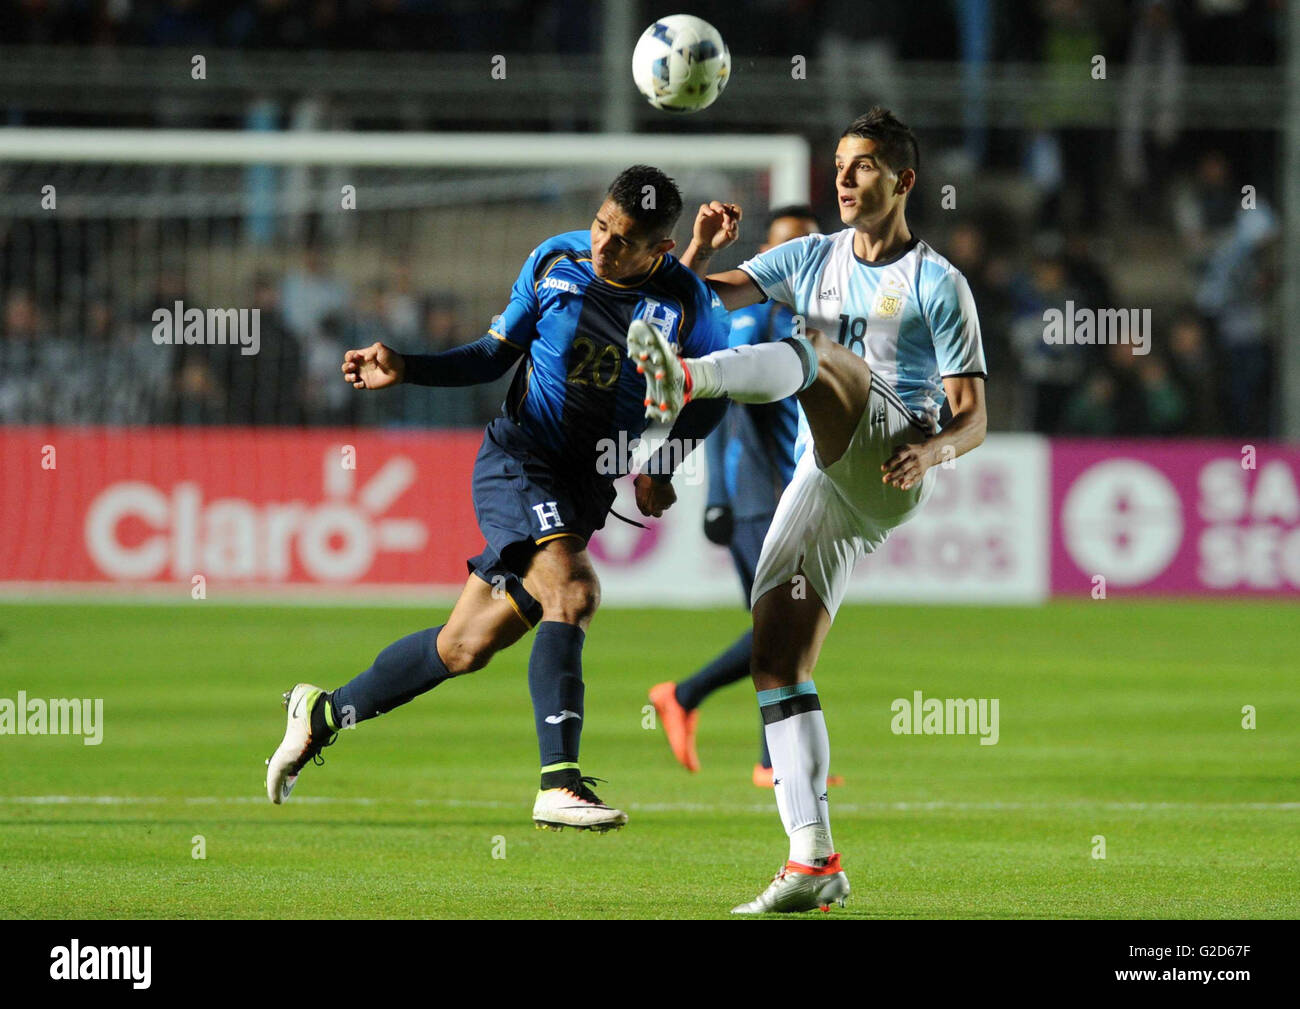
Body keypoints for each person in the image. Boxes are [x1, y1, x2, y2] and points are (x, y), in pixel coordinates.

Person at [265, 166, 730, 832]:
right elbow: (492, 353)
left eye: (624, 241)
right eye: (601, 225)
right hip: (520, 461)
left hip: (586, 483)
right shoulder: (555, 258)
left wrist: (662, 462)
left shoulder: (687, 301)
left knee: (462, 648)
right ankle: (558, 783)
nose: (603, 246)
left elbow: (711, 394)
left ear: (657, 249)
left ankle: (320, 711)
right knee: (571, 592)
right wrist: (408, 365)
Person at [630, 108, 987, 912]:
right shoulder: (809, 255)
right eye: (837, 165)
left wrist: (932, 451)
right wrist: (695, 251)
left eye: (862, 166)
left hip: (893, 453)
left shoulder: (937, 282)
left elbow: (974, 415)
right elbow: (704, 295)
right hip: (822, 476)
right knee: (778, 663)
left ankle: (684, 381)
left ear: (904, 180)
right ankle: (814, 861)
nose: (843, 178)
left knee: (819, 354)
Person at [648, 205, 842, 789]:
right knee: (785, 623)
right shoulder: (758, 319)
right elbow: (721, 399)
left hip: (791, 490)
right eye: (789, 244)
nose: (802, 255)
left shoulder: (816, 319)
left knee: (780, 625)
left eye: (810, 243)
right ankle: (698, 706)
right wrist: (720, 496)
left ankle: (753, 746)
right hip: (761, 494)